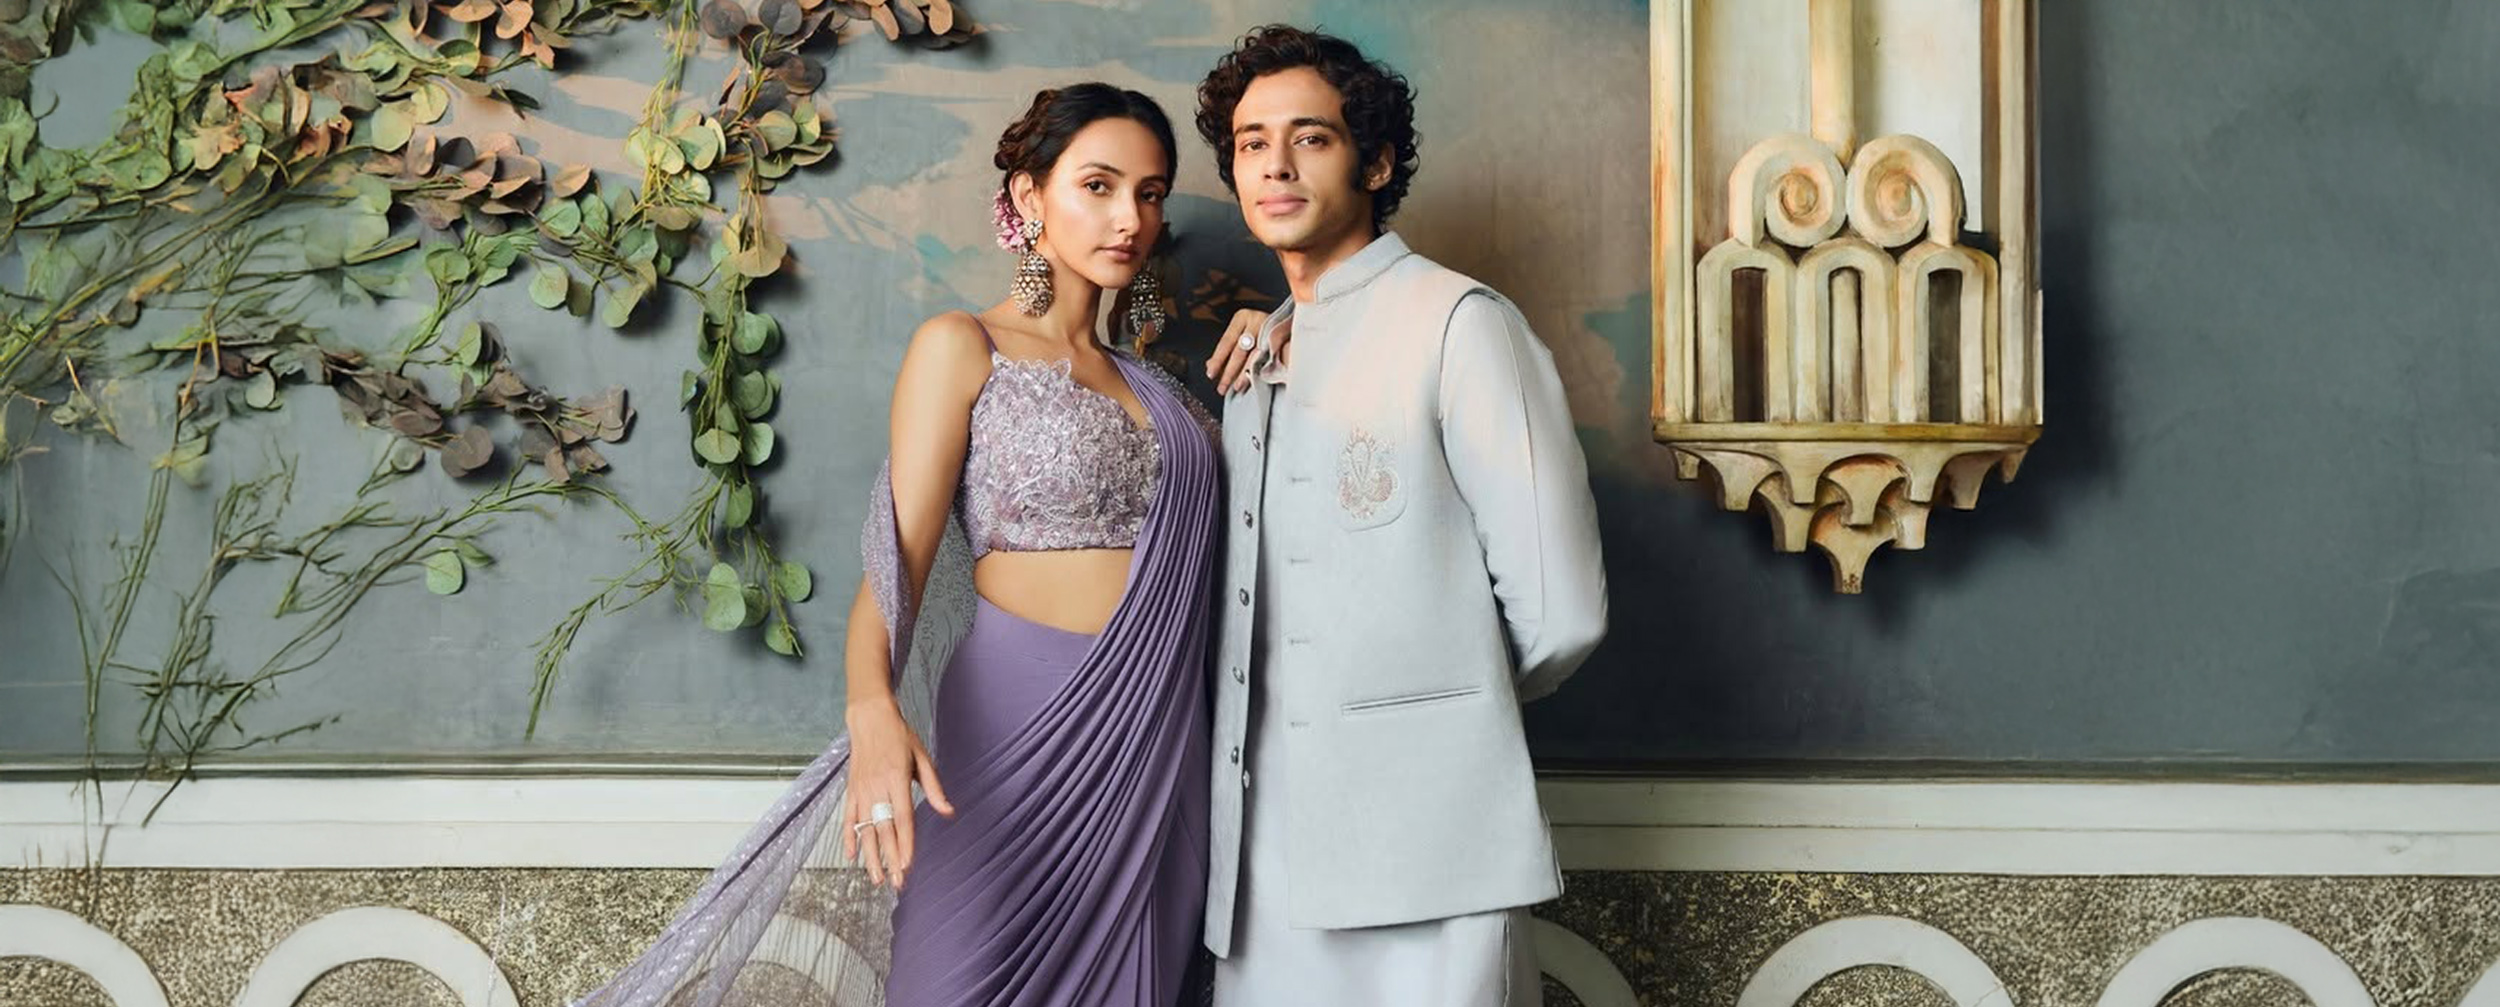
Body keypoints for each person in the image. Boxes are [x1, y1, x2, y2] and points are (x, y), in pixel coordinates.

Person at [572, 82, 1258, 1007]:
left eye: (1149, 191)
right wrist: (872, 710)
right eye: (1097, 185)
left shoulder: (1172, 392)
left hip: (1160, 752)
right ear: (1028, 197)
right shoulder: (963, 344)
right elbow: (894, 568)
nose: (1129, 217)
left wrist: (1283, 333)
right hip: (1011, 739)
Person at [1192, 25, 1610, 1007]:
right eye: (1251, 143)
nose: (1275, 165)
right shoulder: (1255, 356)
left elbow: (1564, 613)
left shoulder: (1462, 323)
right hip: (1260, 858)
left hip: (1433, 842)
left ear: (1374, 161)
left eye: (1311, 138)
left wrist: (1429, 718)